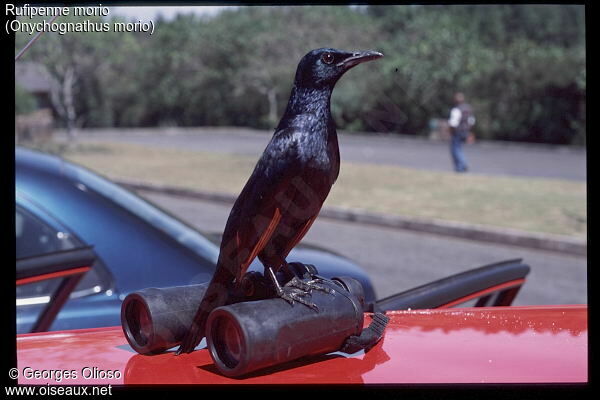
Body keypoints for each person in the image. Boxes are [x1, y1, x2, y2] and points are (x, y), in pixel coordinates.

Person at [448, 92, 475, 172]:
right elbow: (472, 121)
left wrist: (450, 131)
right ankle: (461, 166)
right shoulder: (468, 108)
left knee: (455, 149)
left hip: (457, 132)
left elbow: (453, 123)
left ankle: (462, 165)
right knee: (459, 148)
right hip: (465, 131)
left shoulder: (456, 110)